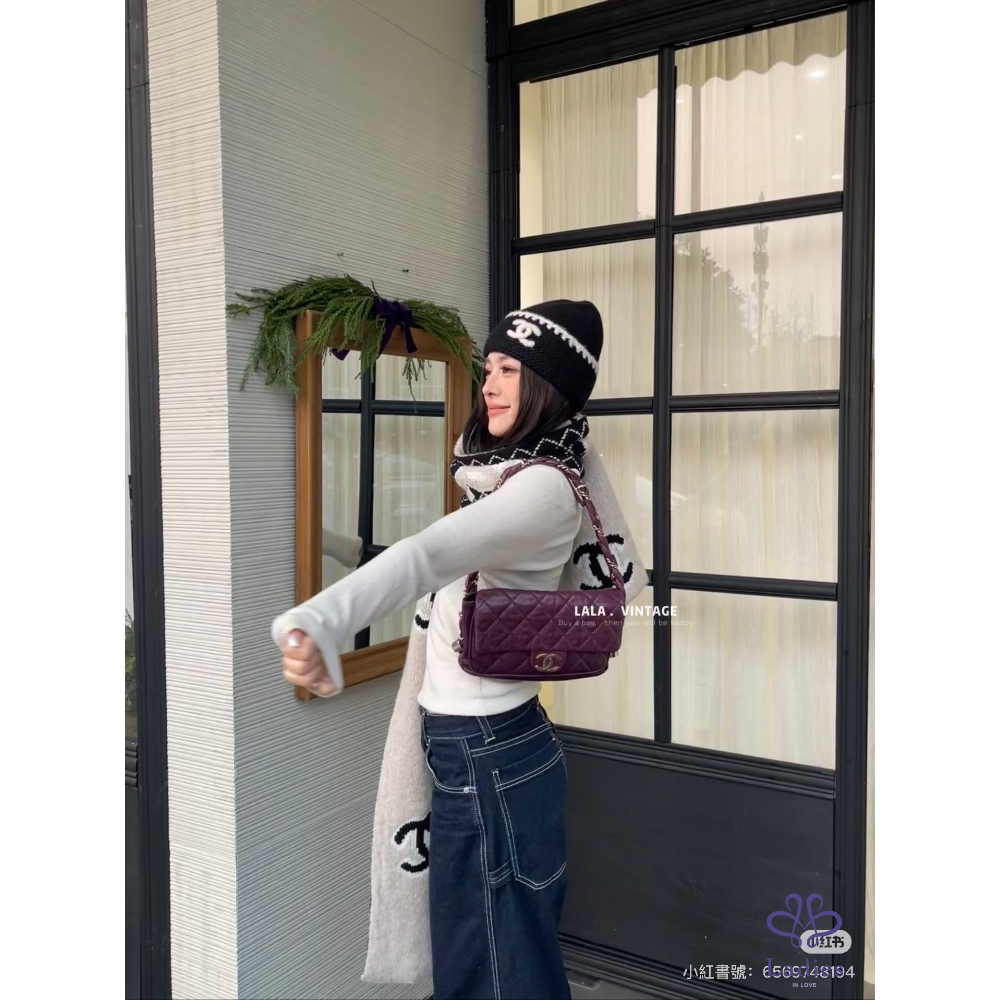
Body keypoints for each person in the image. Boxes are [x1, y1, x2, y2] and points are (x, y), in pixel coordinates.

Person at [274, 299, 646, 1000]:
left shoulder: (540, 490)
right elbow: (434, 568)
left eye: (511, 370)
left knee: (494, 971)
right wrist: (327, 544)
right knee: (489, 958)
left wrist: (321, 619)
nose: (490, 385)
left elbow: (429, 553)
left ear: (549, 386)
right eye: (489, 368)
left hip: (488, 755)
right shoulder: (509, 477)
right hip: (485, 751)